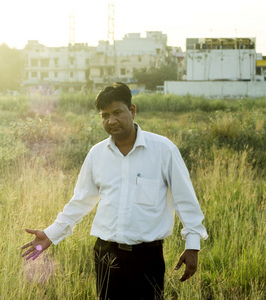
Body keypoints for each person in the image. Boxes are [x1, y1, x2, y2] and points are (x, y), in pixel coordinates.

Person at [21, 83, 208, 299]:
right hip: (105, 255)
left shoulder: (163, 150)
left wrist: (192, 245)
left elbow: (185, 200)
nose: (111, 121)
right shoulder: (97, 154)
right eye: (105, 115)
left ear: (133, 110)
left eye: (117, 112)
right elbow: (82, 200)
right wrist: (51, 234)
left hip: (147, 257)